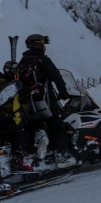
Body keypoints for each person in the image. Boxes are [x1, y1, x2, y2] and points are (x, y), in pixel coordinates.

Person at [17, 34, 77, 169]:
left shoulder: (22, 61)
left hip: (28, 104)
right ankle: (63, 156)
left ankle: (36, 153)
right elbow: (56, 76)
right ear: (38, 45)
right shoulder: (43, 60)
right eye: (43, 45)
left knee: (36, 127)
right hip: (46, 101)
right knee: (57, 126)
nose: (44, 48)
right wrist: (63, 93)